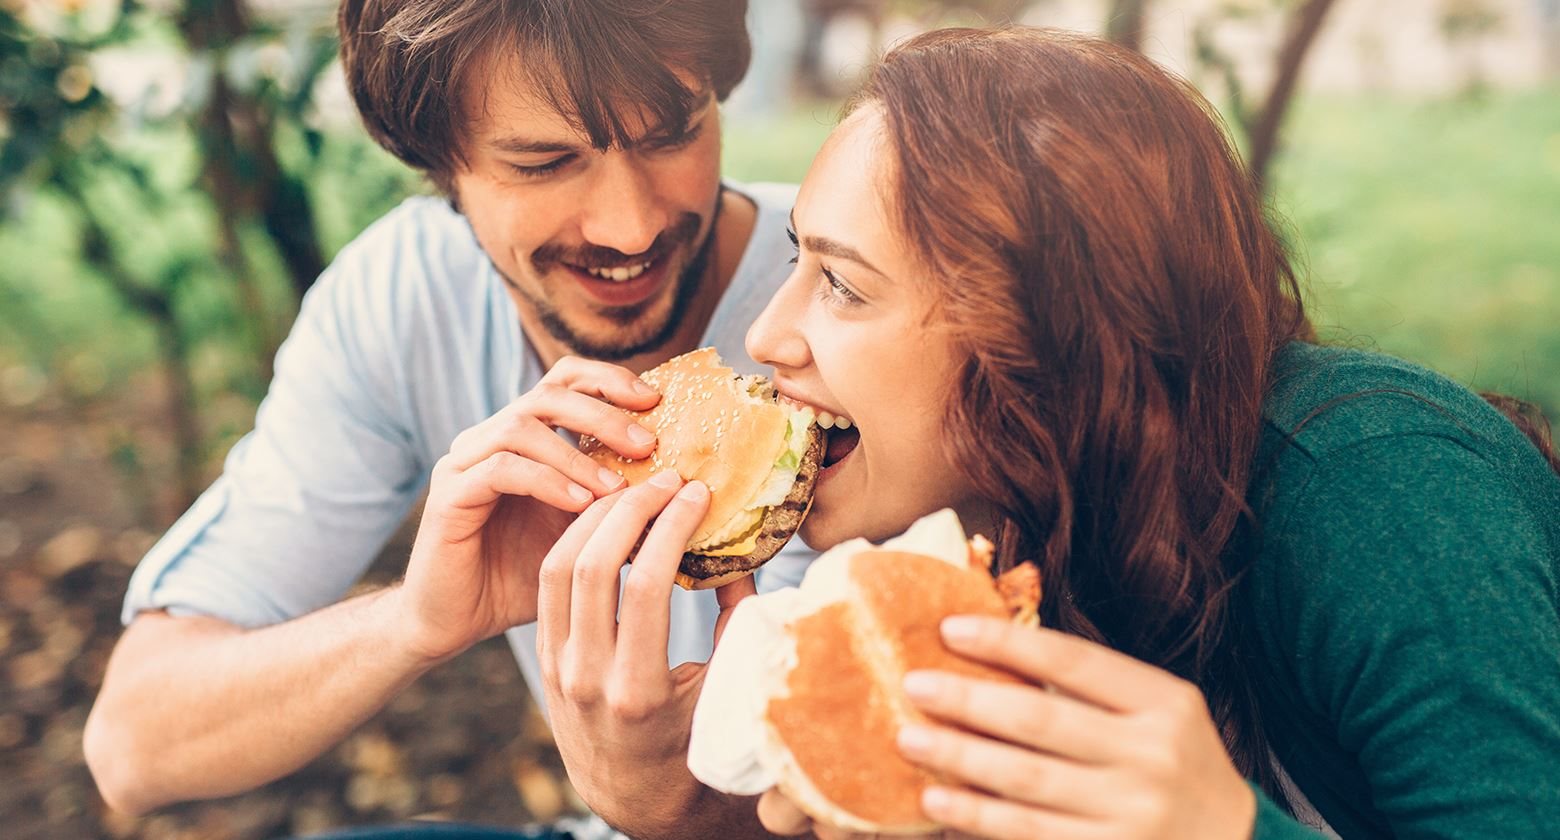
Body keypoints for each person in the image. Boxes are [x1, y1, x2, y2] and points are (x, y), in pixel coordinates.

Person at [545, 26, 1560, 839]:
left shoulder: (1378, 490)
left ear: (1051, 339)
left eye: (844, 285)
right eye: (796, 259)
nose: (769, 334)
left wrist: (1219, 831)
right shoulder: (997, 531)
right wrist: (691, 815)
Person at [83, 1, 807, 837]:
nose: (631, 224)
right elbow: (133, 743)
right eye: (544, 163)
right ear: (437, 162)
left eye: (672, 135)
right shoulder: (406, 299)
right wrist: (414, 621)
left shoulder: (865, 299)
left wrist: (664, 807)